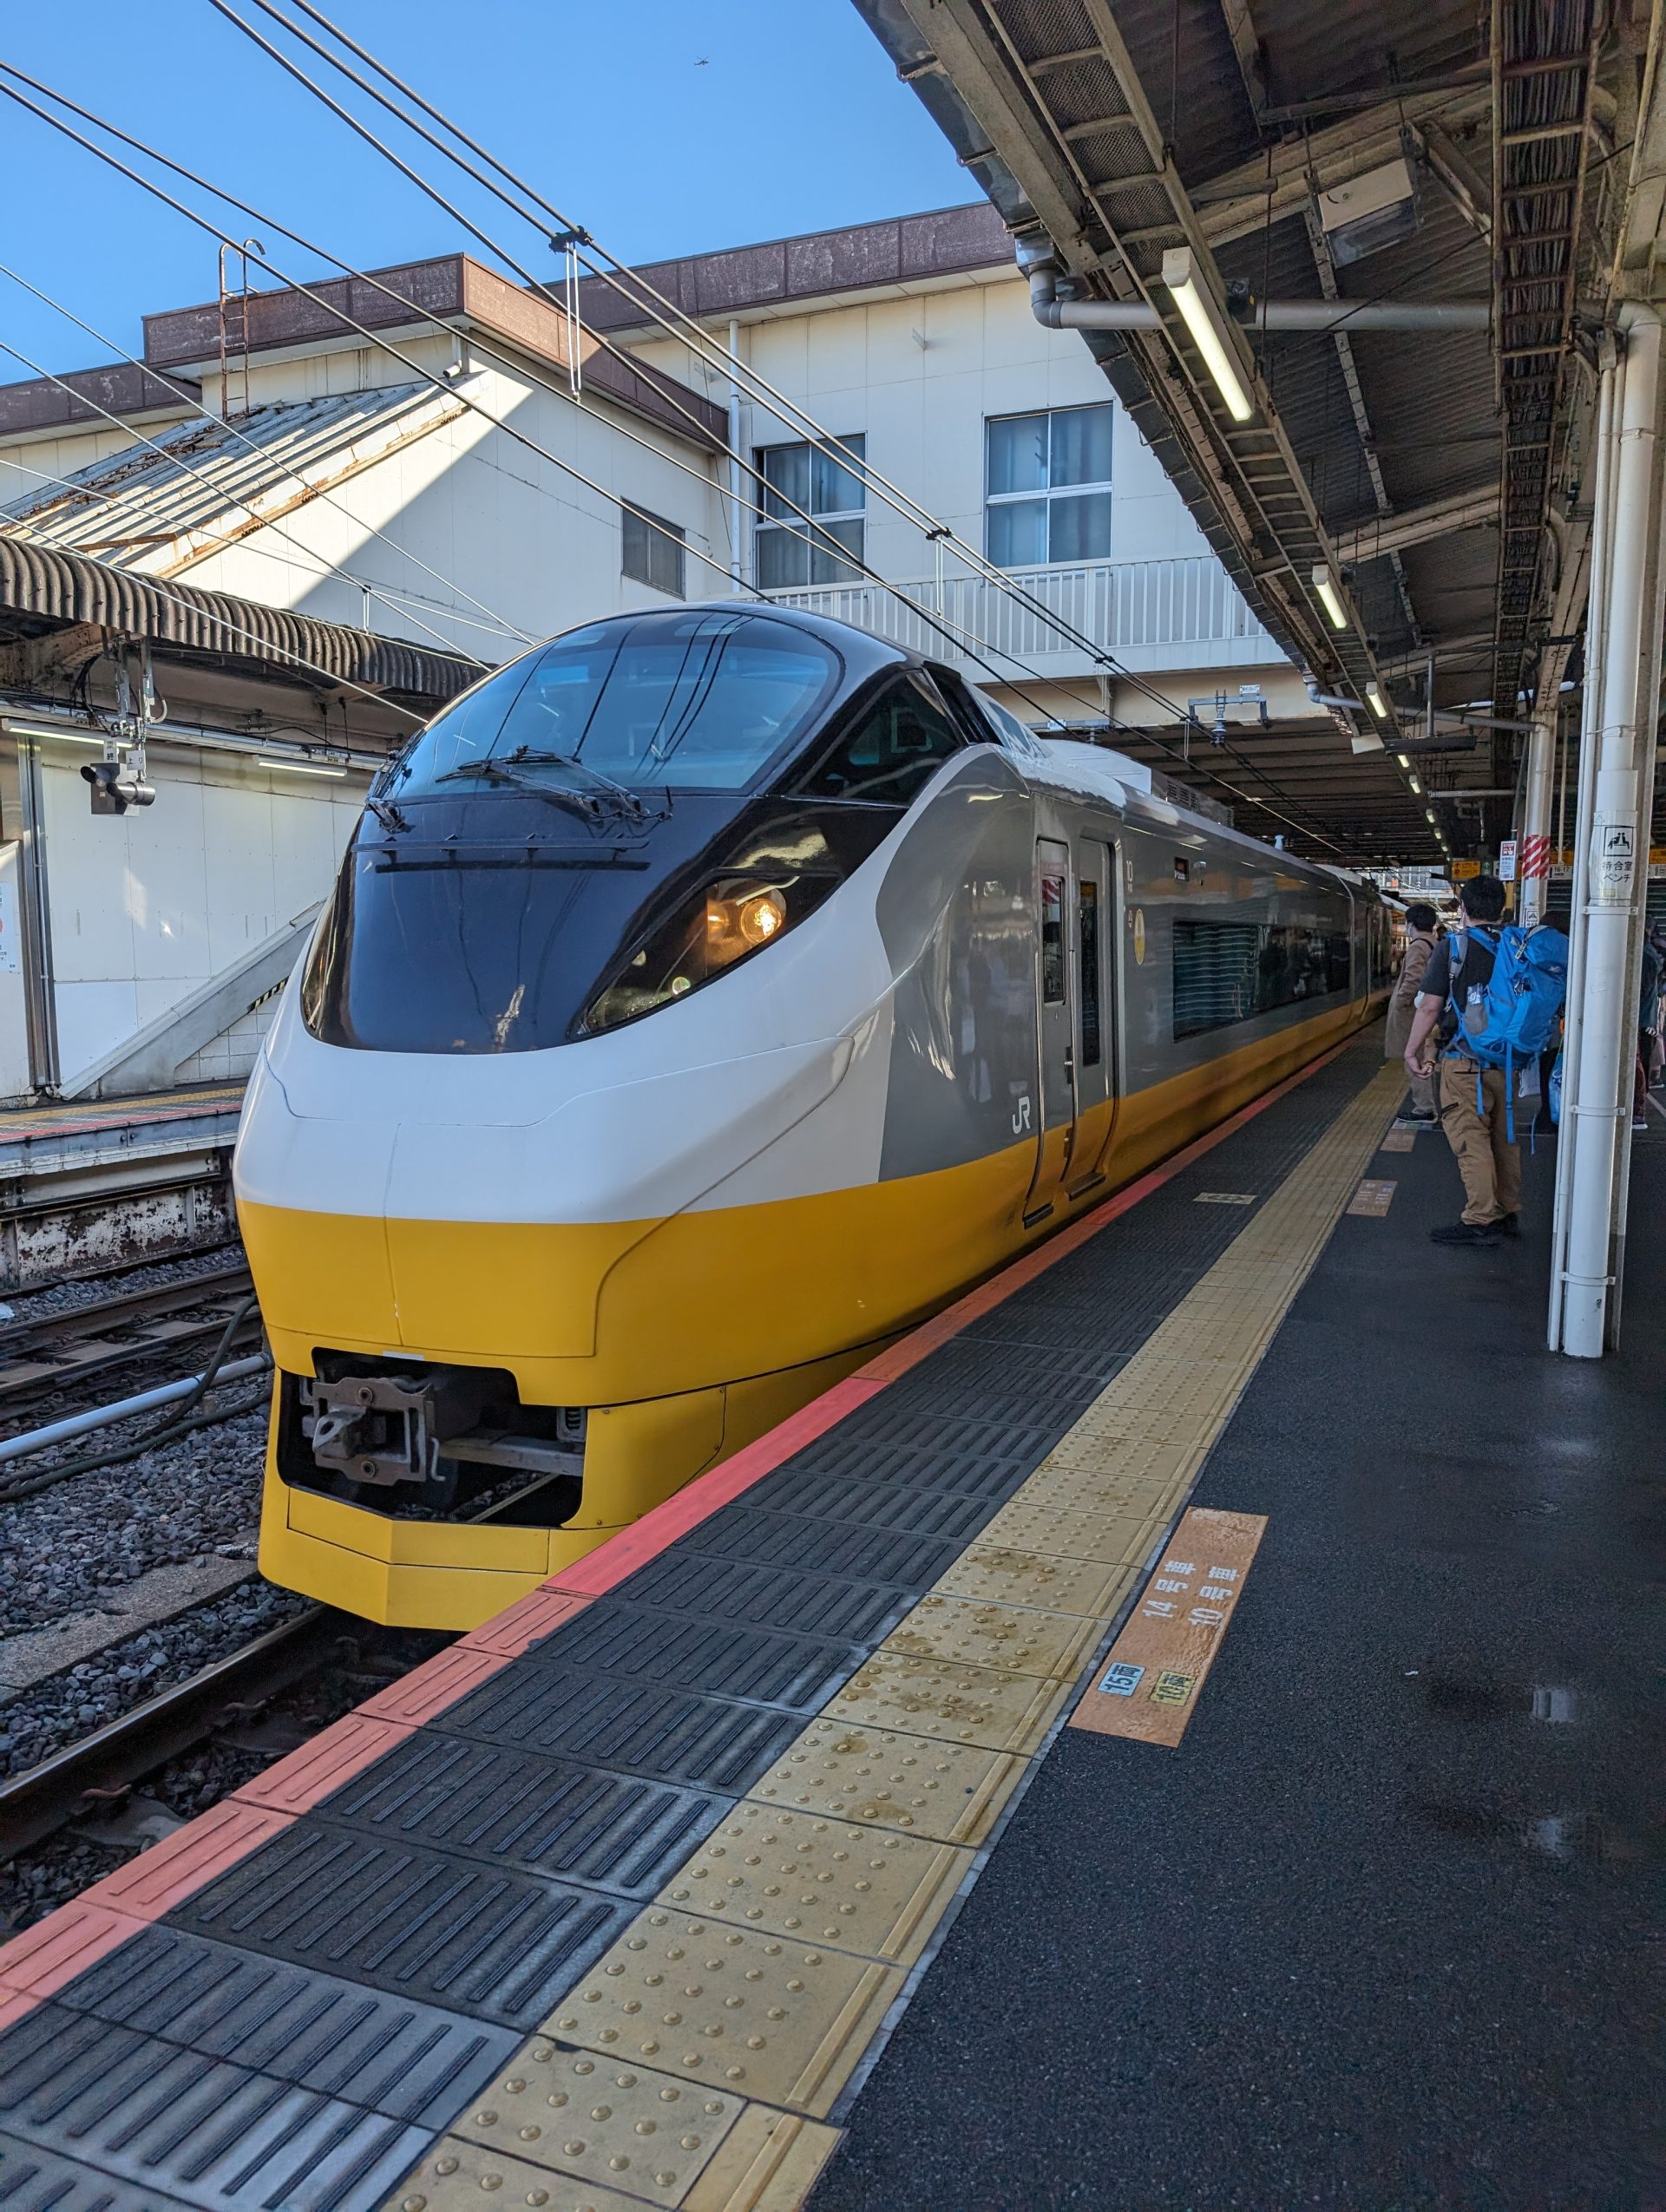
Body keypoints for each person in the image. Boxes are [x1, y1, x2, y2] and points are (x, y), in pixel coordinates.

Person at [1403, 874, 1521, 1246]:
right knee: (1504, 1139)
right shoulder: (1514, 946)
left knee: (1471, 1137)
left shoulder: (1452, 947)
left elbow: (1430, 1006)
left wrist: (1412, 1050)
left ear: (1464, 909)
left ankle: (1480, 1219)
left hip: (1464, 1060)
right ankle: (1507, 1210)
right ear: (1500, 908)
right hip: (1508, 1060)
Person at [1385, 901, 1441, 1120]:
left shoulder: (1418, 946)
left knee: (1414, 1060)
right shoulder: (1435, 944)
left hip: (1413, 1013)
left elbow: (1414, 978)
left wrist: (1400, 1002)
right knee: (1422, 1057)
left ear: (1411, 924)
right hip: (1425, 1010)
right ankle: (1426, 1107)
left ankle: (1424, 1108)